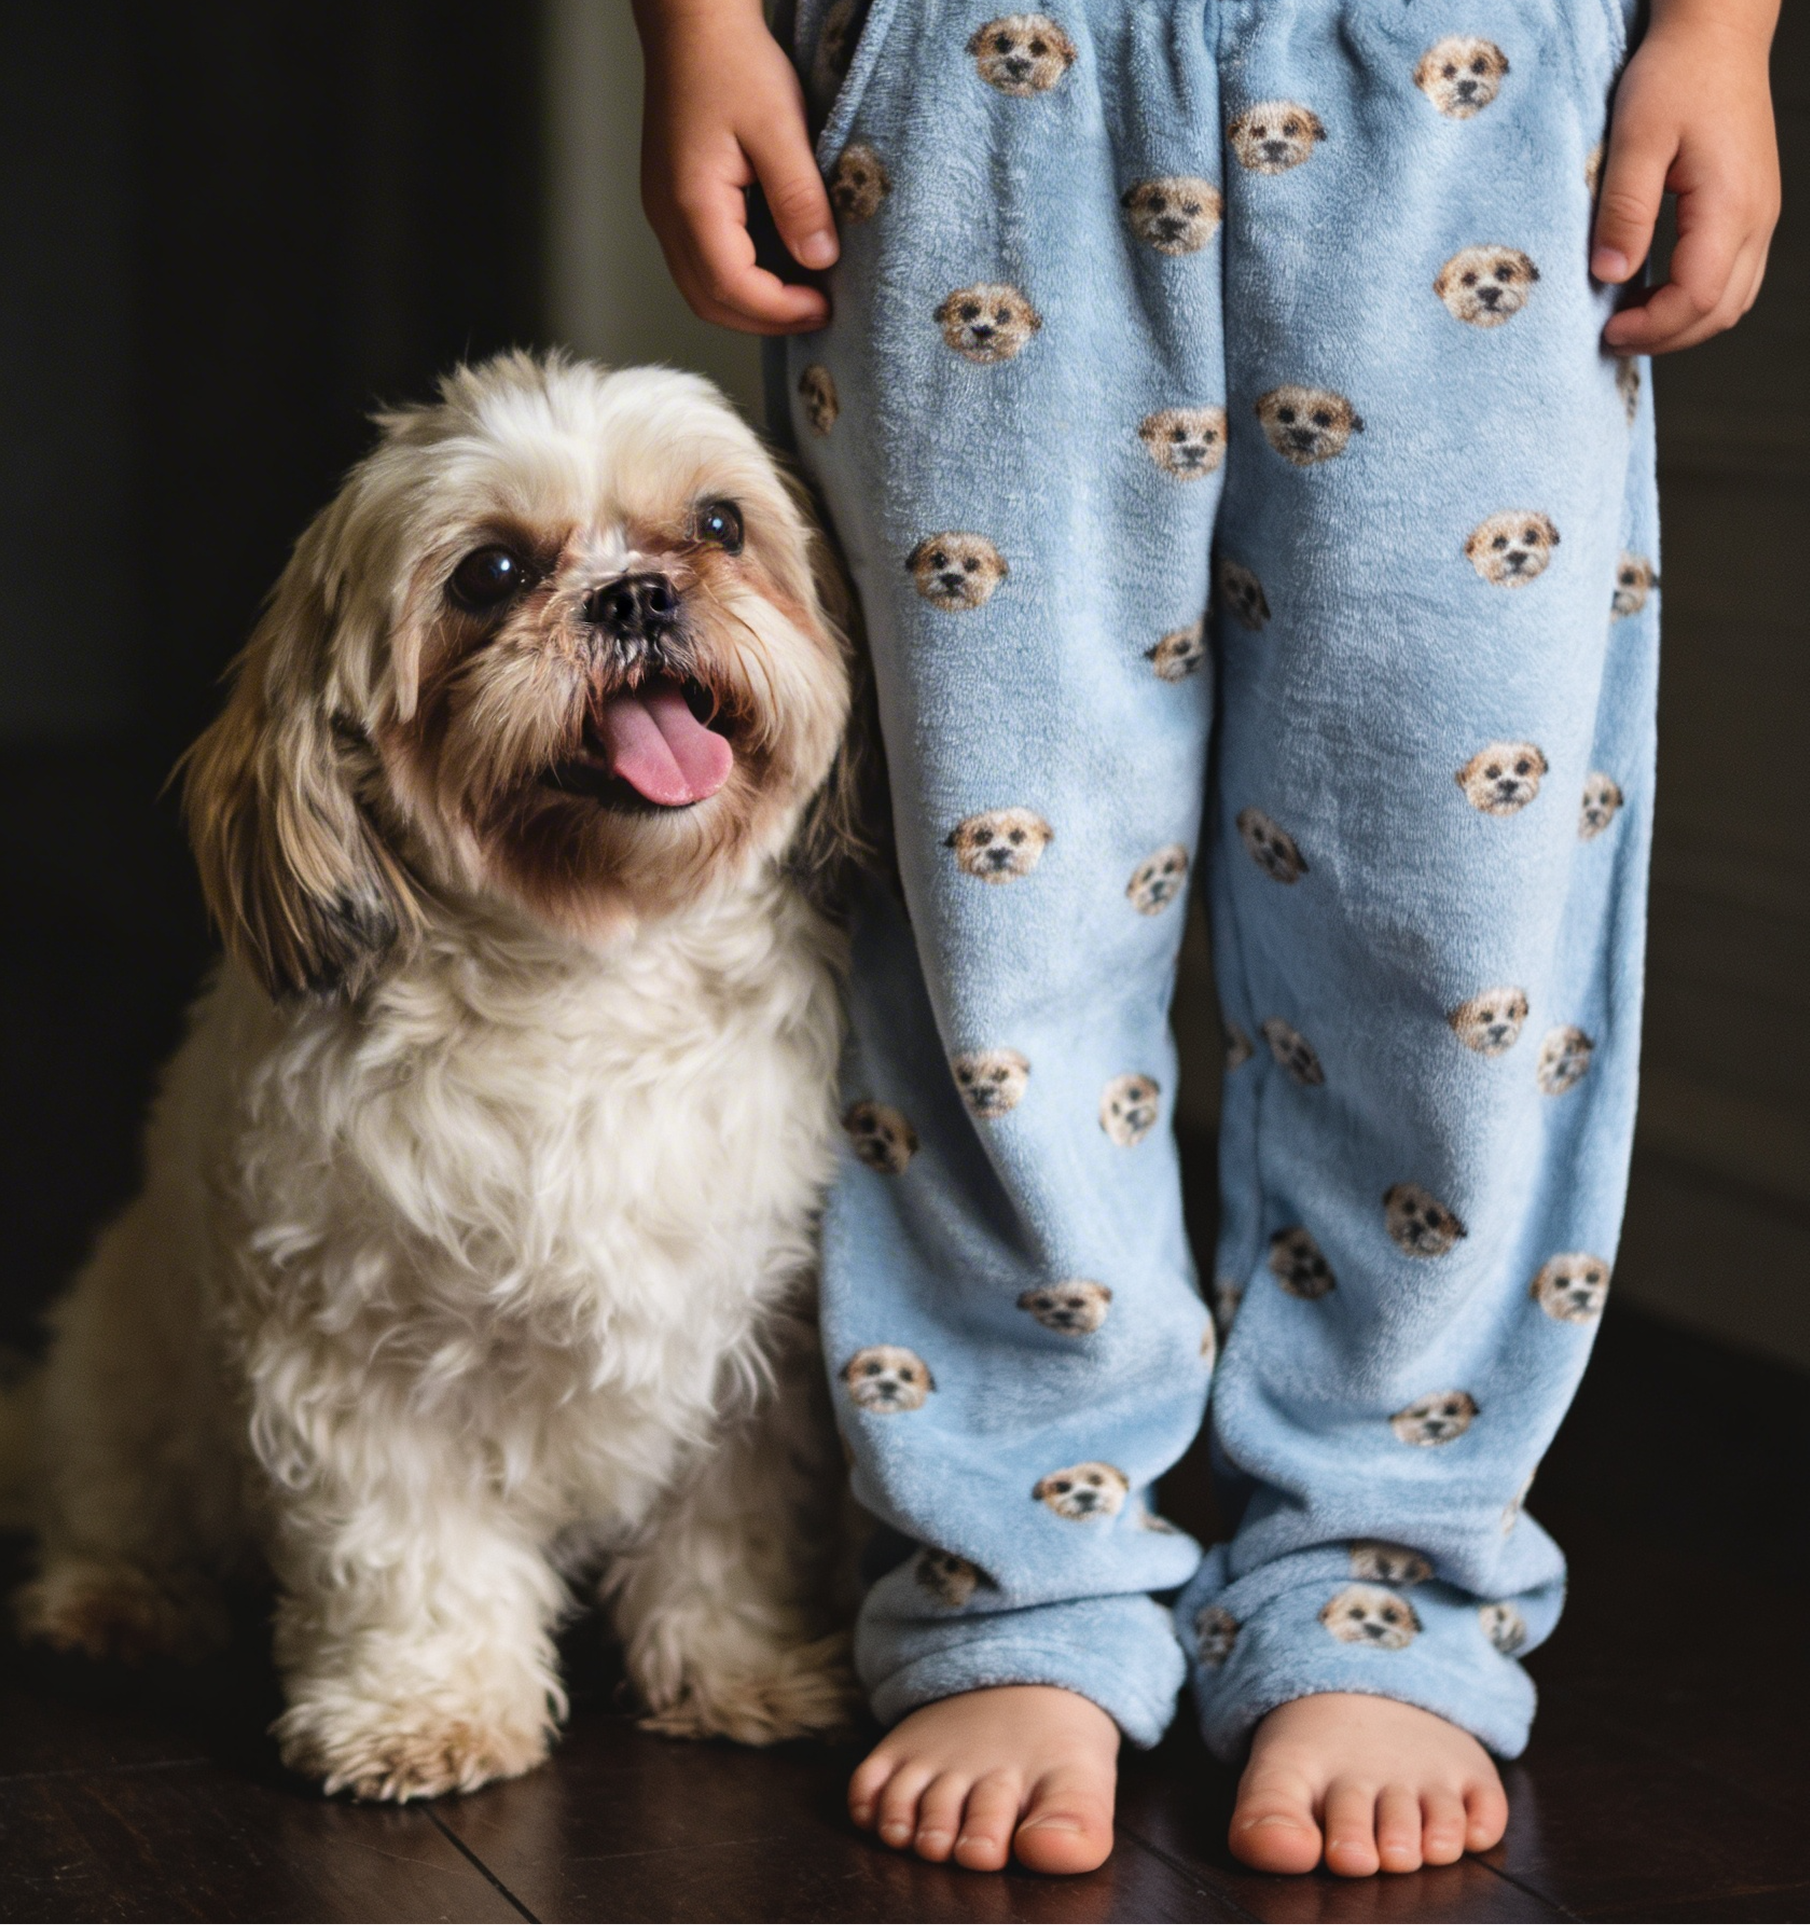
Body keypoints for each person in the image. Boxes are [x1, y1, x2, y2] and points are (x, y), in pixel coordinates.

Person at [631, 0, 1779, 1879]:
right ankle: (1020, 1557)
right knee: (991, 907)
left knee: (1455, 914)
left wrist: (1722, 34)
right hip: (970, 81)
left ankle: (1383, 1560)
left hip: (1473, 88)